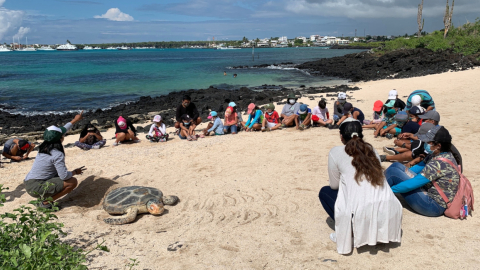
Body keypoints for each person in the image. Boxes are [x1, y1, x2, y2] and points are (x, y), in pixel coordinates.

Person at [318, 119, 402, 254]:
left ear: (341, 136)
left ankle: (350, 231)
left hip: (362, 209)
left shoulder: (335, 152)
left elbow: (334, 186)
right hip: (388, 206)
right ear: (361, 135)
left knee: (325, 192)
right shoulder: (371, 149)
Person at [385, 126, 461, 217]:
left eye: (428, 142)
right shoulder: (437, 154)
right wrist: (401, 174)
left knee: (395, 172)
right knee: (396, 166)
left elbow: (412, 184)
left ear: (438, 145)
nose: (425, 143)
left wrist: (389, 190)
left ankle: (377, 192)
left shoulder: (439, 163)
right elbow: (414, 169)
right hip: (428, 193)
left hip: (433, 206)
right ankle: (377, 189)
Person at [24, 111, 86, 210]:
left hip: (29, 183)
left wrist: (75, 120)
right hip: (36, 187)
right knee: (72, 181)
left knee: (58, 174)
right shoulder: (57, 153)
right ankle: (45, 203)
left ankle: (44, 197)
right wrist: (75, 172)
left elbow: (63, 130)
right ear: (61, 138)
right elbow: (64, 176)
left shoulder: (44, 146)